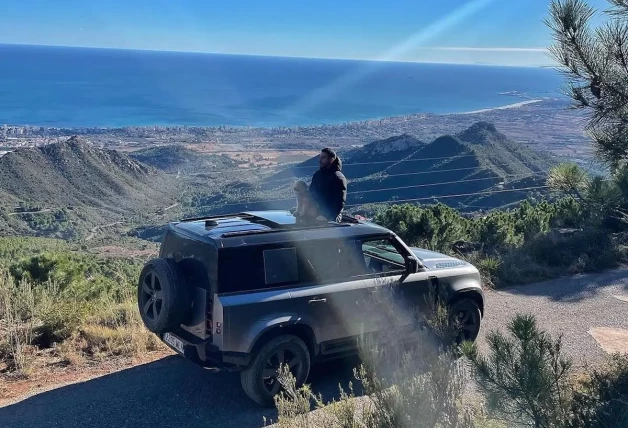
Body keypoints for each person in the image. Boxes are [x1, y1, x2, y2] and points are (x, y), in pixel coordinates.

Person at [309, 147, 347, 222]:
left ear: (331, 160)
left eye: (323, 158)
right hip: (316, 213)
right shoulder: (317, 175)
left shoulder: (338, 178)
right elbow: (311, 193)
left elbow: (339, 202)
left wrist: (325, 216)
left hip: (330, 218)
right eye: (320, 157)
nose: (320, 160)